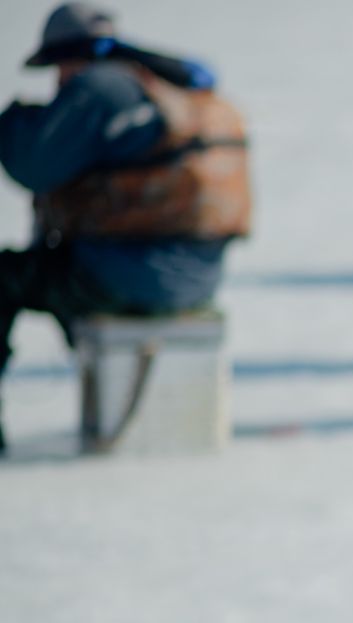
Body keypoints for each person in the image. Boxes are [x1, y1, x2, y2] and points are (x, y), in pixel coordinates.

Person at [0, 2, 249, 455]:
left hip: (127, 277)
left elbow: (32, 165)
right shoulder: (164, 85)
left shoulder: (99, 89)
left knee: (5, 278)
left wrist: (16, 121)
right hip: (197, 280)